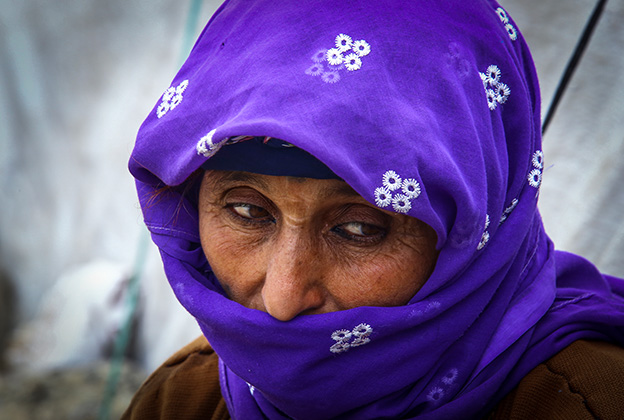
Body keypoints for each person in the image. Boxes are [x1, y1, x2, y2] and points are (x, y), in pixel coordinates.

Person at [124, 0, 624, 418]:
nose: (282, 299)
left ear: (475, 232)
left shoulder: (587, 403)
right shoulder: (181, 400)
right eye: (249, 213)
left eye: (360, 228)